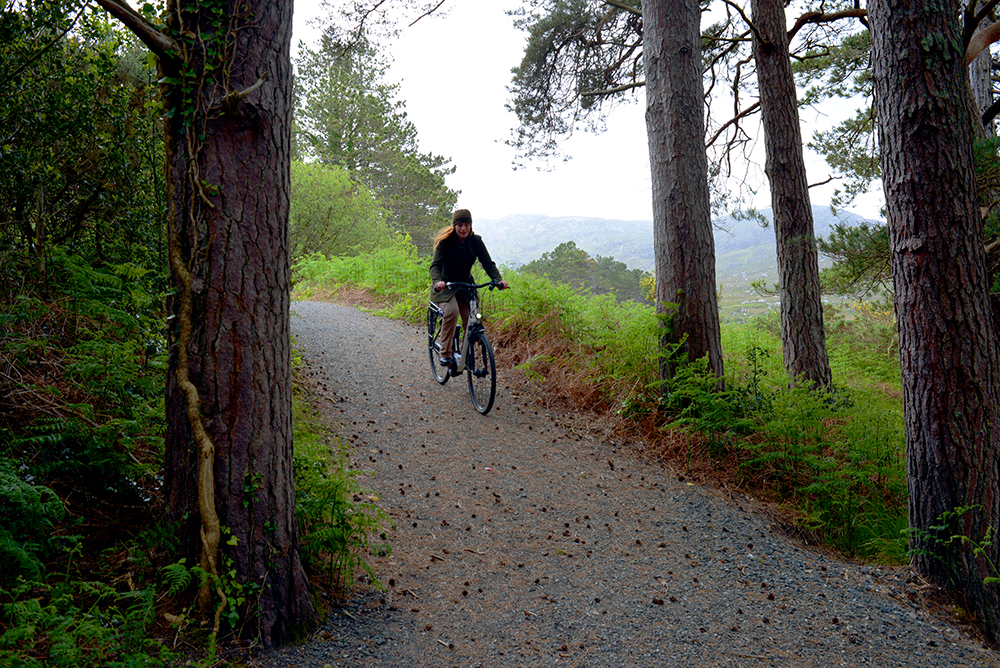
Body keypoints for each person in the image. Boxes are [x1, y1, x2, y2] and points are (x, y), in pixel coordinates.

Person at [430, 208, 508, 365]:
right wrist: (438, 281)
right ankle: (446, 353)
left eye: (466, 225)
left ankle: (465, 353)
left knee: (472, 319)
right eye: (460, 225)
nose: (463, 229)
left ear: (471, 226)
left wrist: (498, 280)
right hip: (445, 287)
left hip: (465, 287)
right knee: (452, 311)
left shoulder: (476, 242)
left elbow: (487, 263)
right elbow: (435, 266)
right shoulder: (445, 242)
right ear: (454, 226)